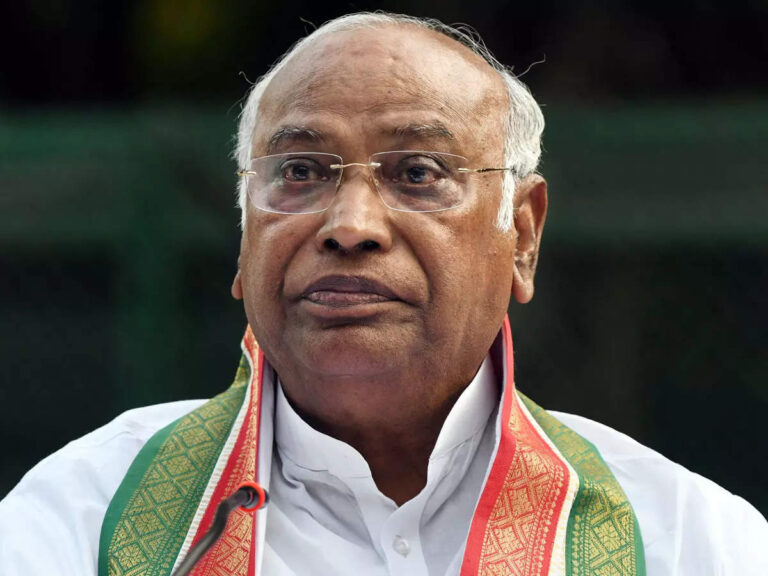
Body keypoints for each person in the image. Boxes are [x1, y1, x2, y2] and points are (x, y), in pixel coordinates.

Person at [1, 12, 766, 576]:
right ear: (243, 238)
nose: (351, 225)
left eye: (418, 174)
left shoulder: (686, 542)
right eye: (300, 172)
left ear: (522, 238)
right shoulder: (84, 519)